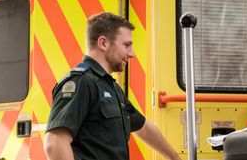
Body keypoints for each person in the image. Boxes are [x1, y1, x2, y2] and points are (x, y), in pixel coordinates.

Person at [45, 12, 181, 160]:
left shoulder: (110, 87)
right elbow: (55, 143)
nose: (132, 54)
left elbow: (144, 127)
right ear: (103, 43)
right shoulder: (81, 82)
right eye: (126, 45)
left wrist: (175, 158)